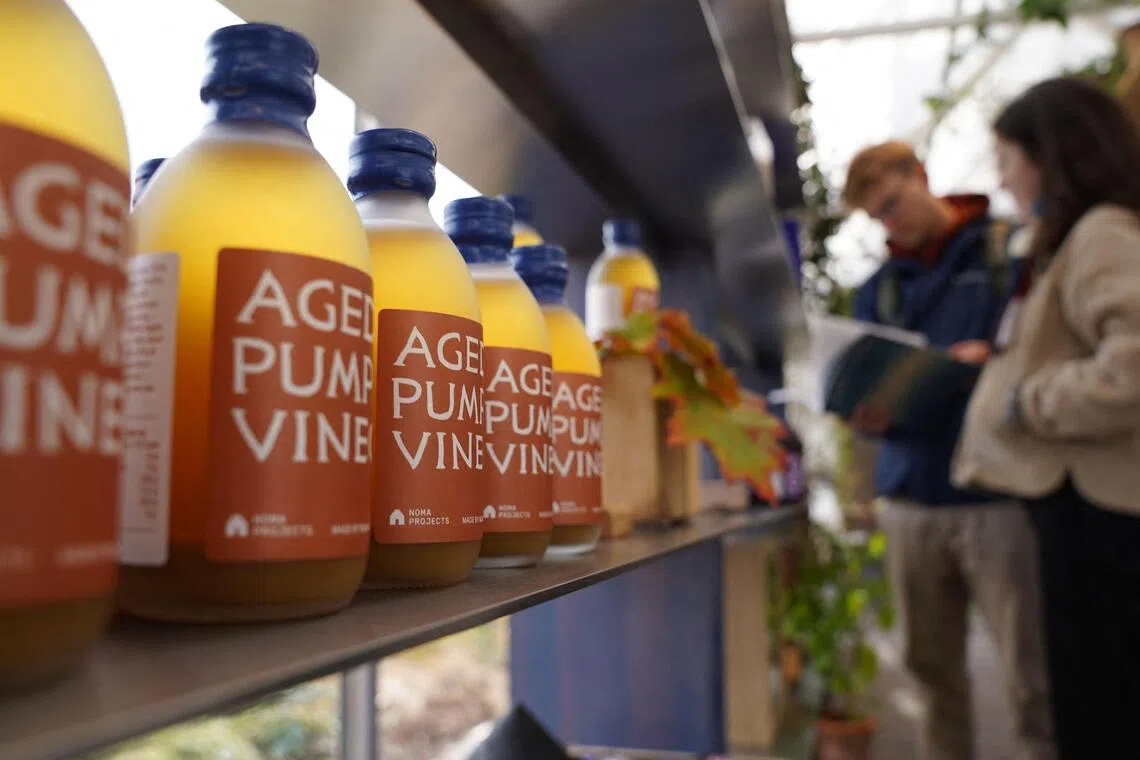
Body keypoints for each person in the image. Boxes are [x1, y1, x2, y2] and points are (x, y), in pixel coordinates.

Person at [843, 141, 1054, 760]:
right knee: (931, 675)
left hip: (995, 494)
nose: (891, 221)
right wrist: (867, 411)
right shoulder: (877, 291)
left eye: (893, 202)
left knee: (1029, 675)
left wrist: (988, 365)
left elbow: (1040, 348)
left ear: (921, 176)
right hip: (911, 499)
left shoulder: (1005, 250)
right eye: (877, 216)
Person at [952, 76, 1140, 760]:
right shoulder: (1068, 241)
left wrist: (1026, 401)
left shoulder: (1101, 234)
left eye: (1006, 159)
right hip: (1084, 515)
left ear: (1050, 154)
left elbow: (1133, 365)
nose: (1002, 180)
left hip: (1103, 520)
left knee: (1101, 716)